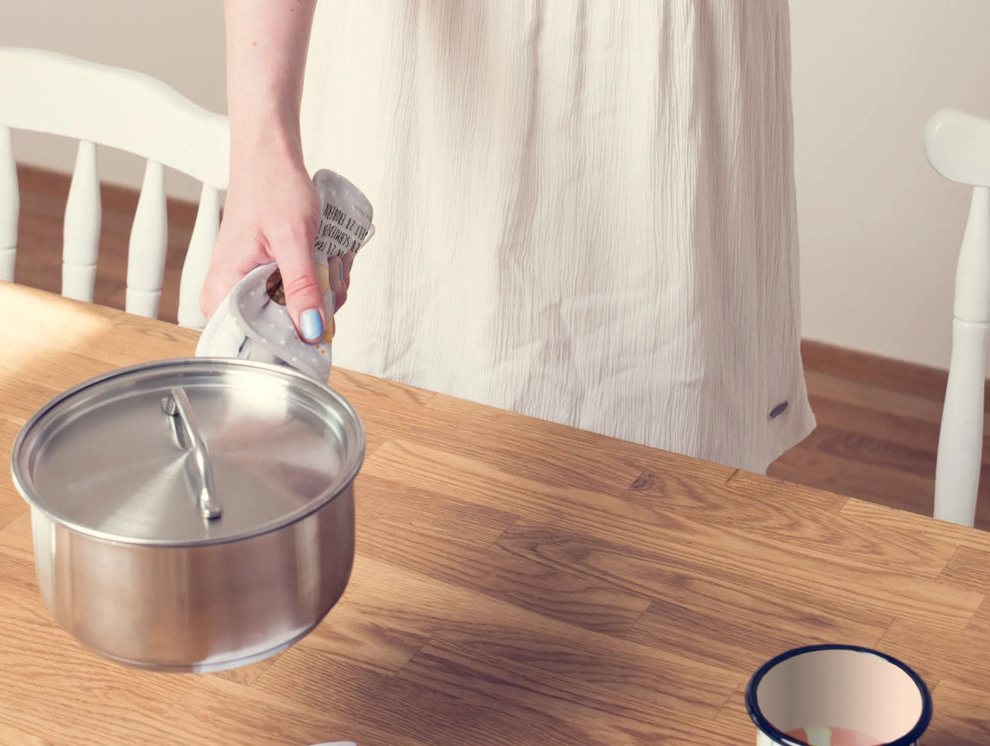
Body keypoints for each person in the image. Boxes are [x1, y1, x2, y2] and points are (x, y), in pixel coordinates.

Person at [202, 0, 815, 473]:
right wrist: (261, 154)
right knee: (387, 468)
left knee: (673, 486)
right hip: (426, 82)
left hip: (669, 74)